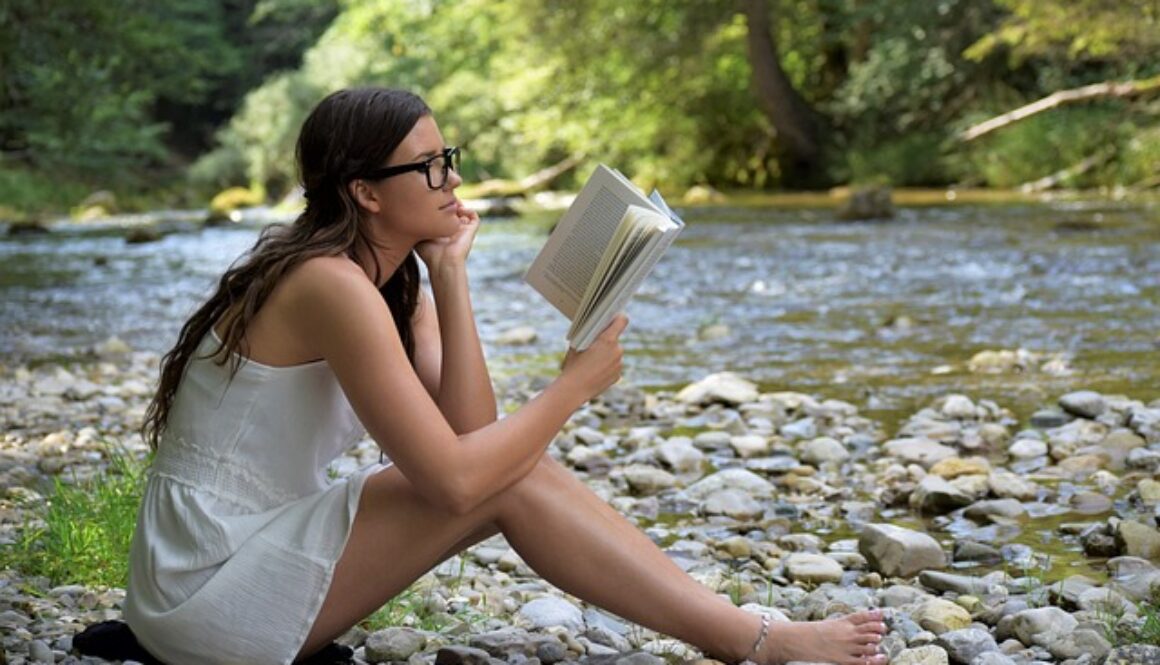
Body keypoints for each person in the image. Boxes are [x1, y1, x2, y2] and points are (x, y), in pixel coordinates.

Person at [124, 86, 888, 665]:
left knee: (513, 467)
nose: (452, 178)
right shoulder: (328, 283)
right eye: (429, 166)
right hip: (204, 586)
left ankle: (745, 631)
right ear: (365, 193)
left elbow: (472, 436)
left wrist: (449, 277)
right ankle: (755, 640)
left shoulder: (386, 281)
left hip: (242, 554)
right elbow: (458, 482)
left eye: (447, 157)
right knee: (510, 476)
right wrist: (571, 388)